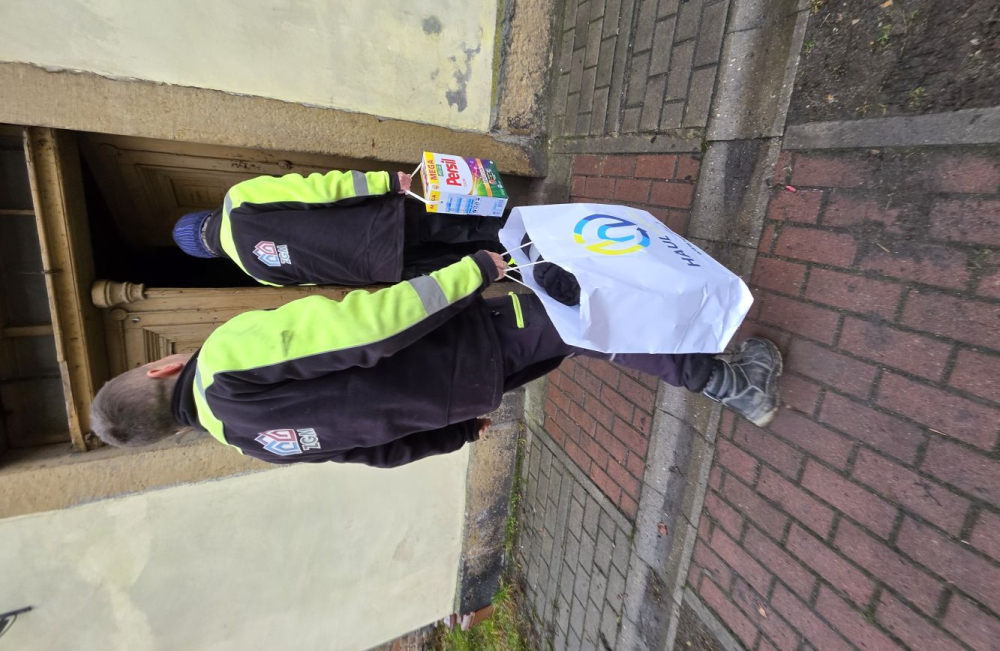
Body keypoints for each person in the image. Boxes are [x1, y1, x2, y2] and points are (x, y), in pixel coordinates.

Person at [89, 252, 782, 467]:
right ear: (159, 370)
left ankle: (717, 365)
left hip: (463, 395)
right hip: (461, 348)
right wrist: (473, 271)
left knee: (582, 331)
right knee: (587, 319)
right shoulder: (223, 360)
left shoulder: (249, 443)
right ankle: (734, 386)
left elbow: (369, 453)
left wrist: (452, 435)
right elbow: (364, 331)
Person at [170, 168, 504, 286]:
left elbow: (320, 280)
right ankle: (533, 228)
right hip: (384, 222)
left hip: (387, 266)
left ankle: (529, 262)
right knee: (476, 226)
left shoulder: (256, 273)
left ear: (210, 253)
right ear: (205, 216)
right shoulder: (238, 201)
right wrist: (384, 181)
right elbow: (316, 190)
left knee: (479, 260)